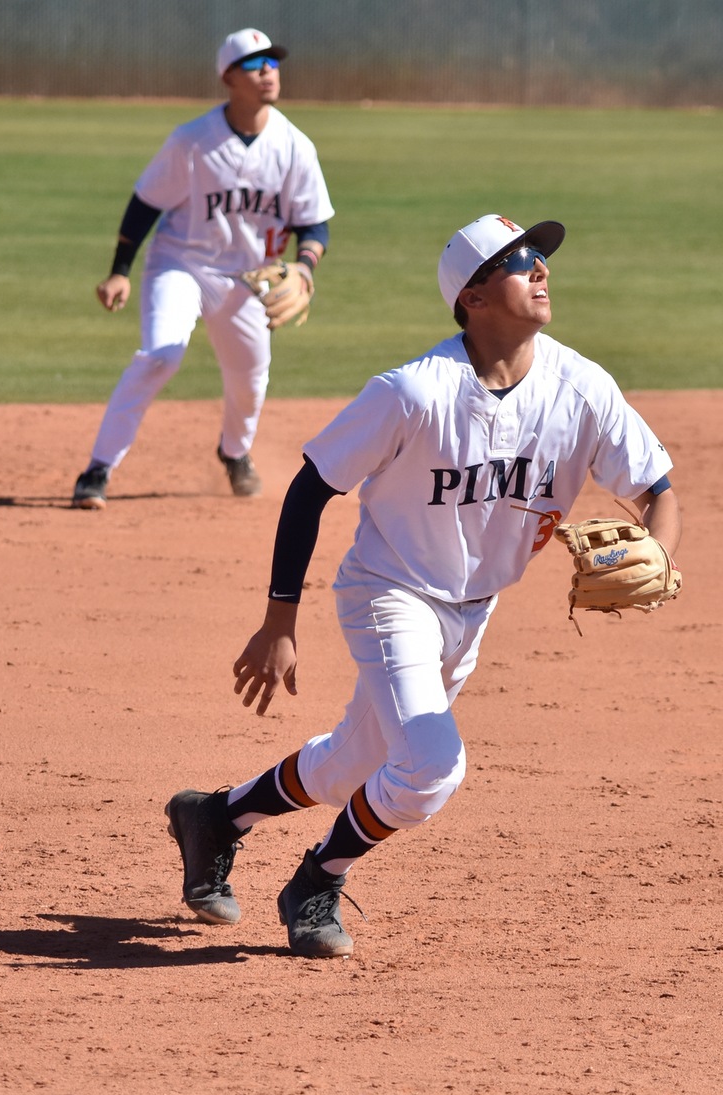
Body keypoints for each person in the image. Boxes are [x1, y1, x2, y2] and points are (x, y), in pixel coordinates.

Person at [165, 214, 683, 957]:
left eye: (543, 258)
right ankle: (317, 880)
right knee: (432, 766)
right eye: (519, 260)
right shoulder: (412, 392)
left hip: (472, 613)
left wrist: (659, 554)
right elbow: (312, 490)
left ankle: (215, 817)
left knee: (355, 764)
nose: (541, 269)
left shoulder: (583, 389)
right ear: (470, 296)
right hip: (391, 592)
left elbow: (658, 487)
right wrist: (280, 621)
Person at [72, 28, 334, 508]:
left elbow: (314, 225)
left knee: (250, 382)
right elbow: (145, 206)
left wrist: (304, 268)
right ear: (229, 76)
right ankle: (97, 469)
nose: (269, 71)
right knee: (160, 355)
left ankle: (234, 455)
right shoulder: (192, 141)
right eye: (256, 64)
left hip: (250, 281)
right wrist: (119, 271)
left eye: (273, 62)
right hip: (182, 265)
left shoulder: (295, 146)